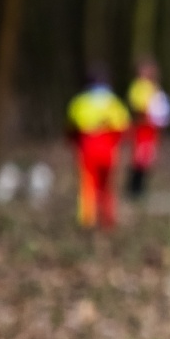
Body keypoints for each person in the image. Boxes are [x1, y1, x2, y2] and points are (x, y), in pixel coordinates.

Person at [66, 71, 130, 230]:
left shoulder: (79, 102)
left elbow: (71, 130)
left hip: (87, 150)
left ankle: (87, 220)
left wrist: (76, 144)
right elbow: (123, 128)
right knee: (107, 186)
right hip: (108, 151)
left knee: (88, 185)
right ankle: (108, 219)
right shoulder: (113, 102)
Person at [126, 58, 170, 198]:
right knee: (140, 158)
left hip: (152, 128)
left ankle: (140, 189)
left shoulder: (154, 87)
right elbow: (137, 107)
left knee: (148, 159)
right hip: (143, 128)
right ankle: (134, 189)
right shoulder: (138, 87)